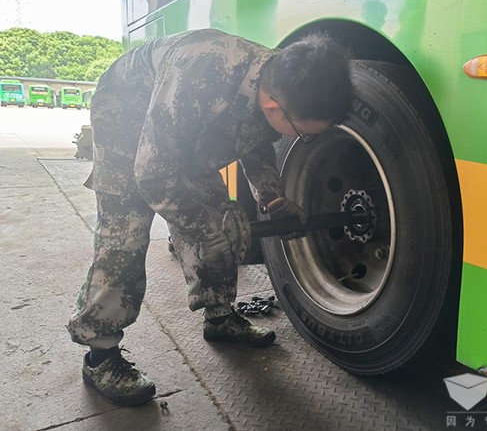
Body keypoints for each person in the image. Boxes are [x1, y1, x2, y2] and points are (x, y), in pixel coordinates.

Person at [66, 28, 354, 406]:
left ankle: (219, 317)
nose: (303, 139)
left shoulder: (278, 76)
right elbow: (152, 174)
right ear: (275, 107)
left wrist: (273, 198)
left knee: (219, 215)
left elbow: (256, 139)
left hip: (185, 129)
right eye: (305, 134)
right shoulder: (200, 75)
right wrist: (203, 231)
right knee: (125, 236)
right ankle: (99, 354)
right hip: (126, 114)